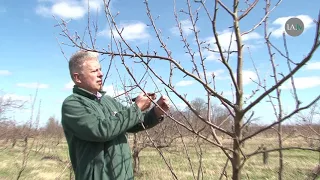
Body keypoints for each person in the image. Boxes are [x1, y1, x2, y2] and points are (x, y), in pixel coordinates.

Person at [61, 50, 170, 180]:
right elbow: (101, 130)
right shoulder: (73, 104)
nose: (101, 74)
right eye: (94, 71)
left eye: (100, 70)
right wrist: (137, 108)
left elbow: (132, 123)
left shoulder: (108, 101)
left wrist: (156, 112)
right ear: (77, 78)